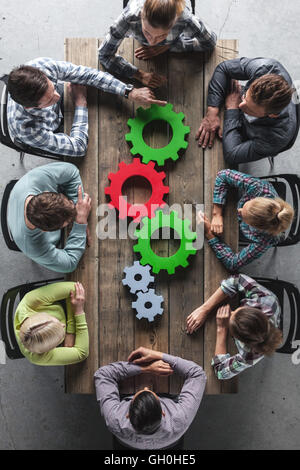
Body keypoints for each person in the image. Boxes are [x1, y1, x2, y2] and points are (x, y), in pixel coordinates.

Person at [7, 57, 166, 157]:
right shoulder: (27, 130)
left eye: (53, 88)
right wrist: (80, 104)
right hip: (53, 127)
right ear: (30, 108)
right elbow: (78, 148)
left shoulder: (40, 66)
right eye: (49, 100)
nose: (58, 96)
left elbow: (88, 75)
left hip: (61, 111)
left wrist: (129, 92)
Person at [94, 346, 206, 450]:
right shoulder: (179, 418)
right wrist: (157, 355)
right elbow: (197, 374)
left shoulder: (115, 419)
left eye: (143, 391)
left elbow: (103, 374)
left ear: (128, 414)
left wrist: (145, 368)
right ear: (163, 412)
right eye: (150, 392)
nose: (147, 387)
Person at [196, 57, 298, 164]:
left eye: (250, 109)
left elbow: (232, 155)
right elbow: (223, 68)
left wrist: (232, 110)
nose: (241, 105)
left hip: (263, 135)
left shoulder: (277, 138)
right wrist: (212, 111)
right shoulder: (265, 67)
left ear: (272, 115)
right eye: (245, 96)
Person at [99, 0, 217, 88]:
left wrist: (170, 46)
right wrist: (139, 75)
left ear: (175, 22)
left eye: (162, 35)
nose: (152, 42)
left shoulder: (186, 19)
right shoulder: (129, 17)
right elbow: (104, 55)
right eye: (147, 32)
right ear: (141, 16)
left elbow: (210, 42)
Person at [186, 274, 283, 379]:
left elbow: (220, 372)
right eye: (236, 311)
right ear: (252, 309)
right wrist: (204, 309)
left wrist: (221, 329)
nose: (230, 313)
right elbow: (237, 279)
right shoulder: (265, 300)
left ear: (238, 339)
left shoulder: (249, 355)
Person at [198, 169, 294, 272]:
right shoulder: (259, 188)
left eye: (243, 216)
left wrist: (209, 234)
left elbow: (233, 263)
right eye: (245, 205)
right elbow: (223, 175)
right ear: (256, 198)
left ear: (256, 227)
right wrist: (217, 213)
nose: (238, 210)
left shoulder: (266, 240)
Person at [7, 161, 91, 273]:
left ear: (46, 192)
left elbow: (72, 171)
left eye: (69, 201)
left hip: (18, 194)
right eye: (68, 221)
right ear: (44, 231)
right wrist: (80, 223)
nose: (72, 203)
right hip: (19, 230)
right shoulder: (33, 245)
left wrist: (77, 204)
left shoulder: (36, 179)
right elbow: (69, 264)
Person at [15, 281, 89, 366]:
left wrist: (70, 332)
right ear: (49, 349)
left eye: (55, 319)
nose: (63, 325)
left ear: (41, 314)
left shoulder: (29, 303)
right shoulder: (37, 357)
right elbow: (82, 353)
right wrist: (78, 312)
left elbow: (74, 288)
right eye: (59, 337)